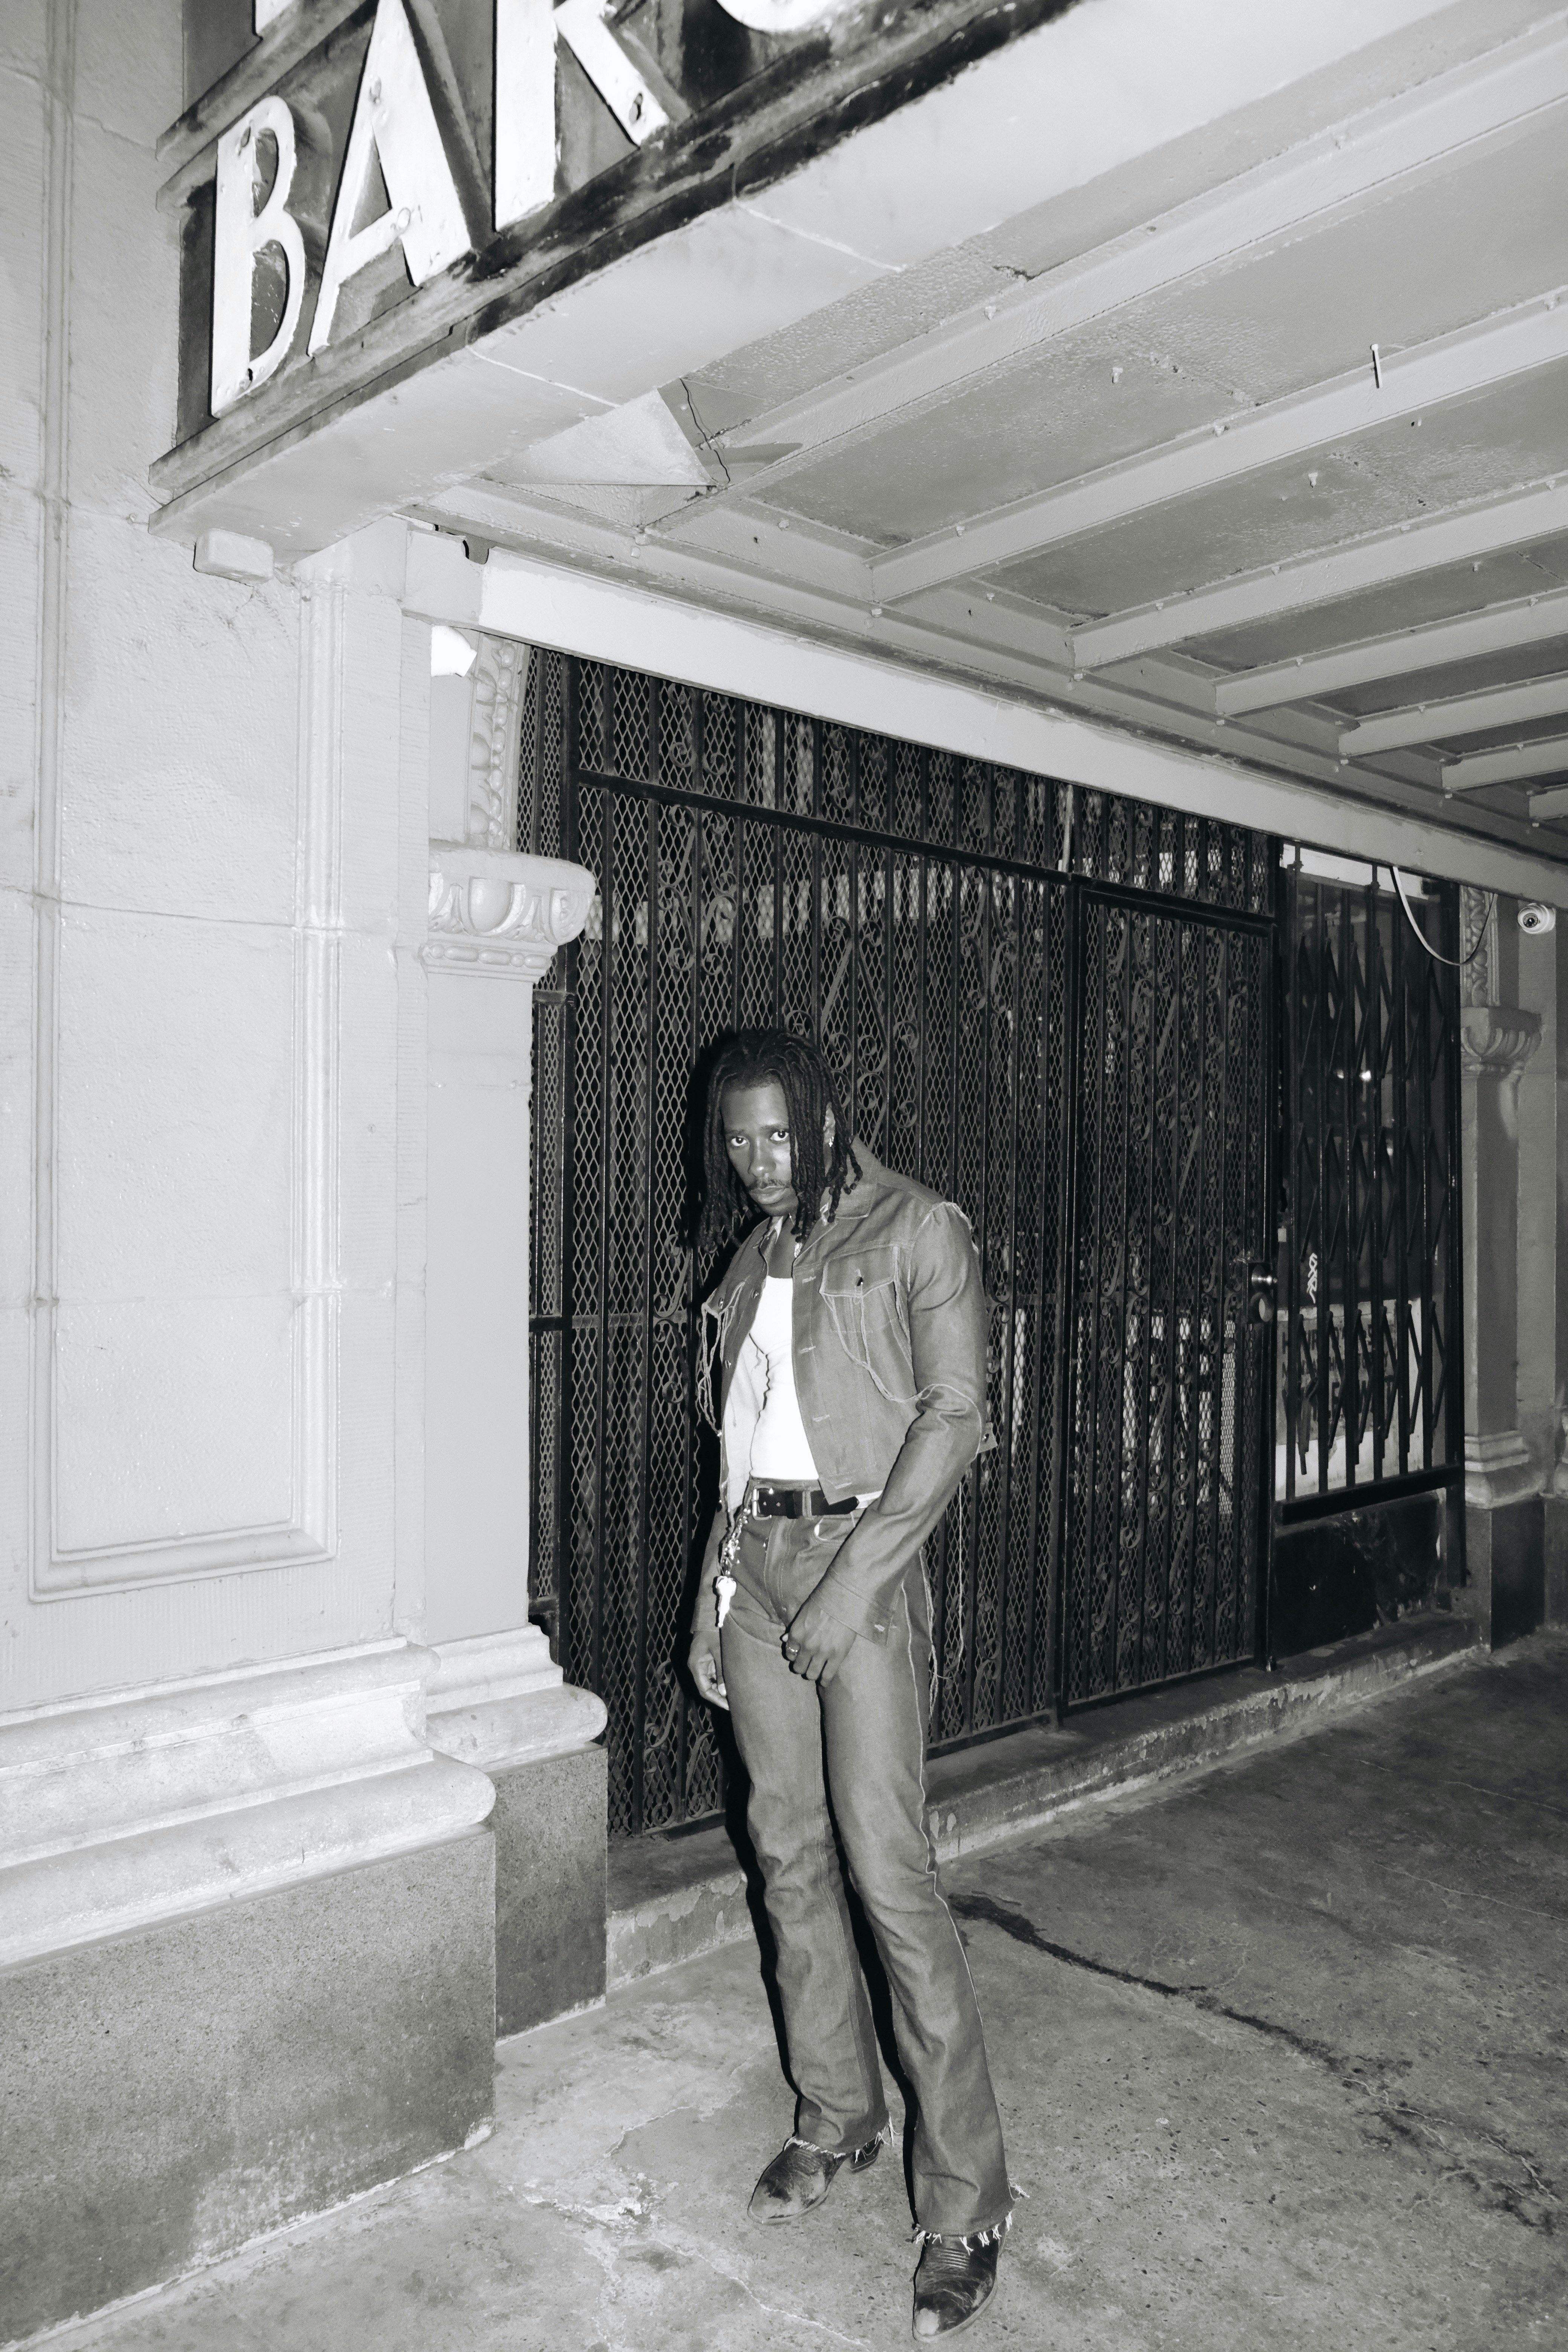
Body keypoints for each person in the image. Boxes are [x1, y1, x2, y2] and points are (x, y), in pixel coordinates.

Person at [687, 1027, 1012, 2343]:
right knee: (785, 1849)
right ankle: (836, 2113)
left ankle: (968, 2204)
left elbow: (955, 1416)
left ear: (827, 1118)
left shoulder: (920, 1227)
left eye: (782, 1134)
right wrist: (716, 1600)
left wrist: (848, 1587)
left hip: (857, 1565)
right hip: (756, 1562)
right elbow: (739, 1439)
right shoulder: (751, 1257)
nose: (763, 1163)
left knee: (889, 1869)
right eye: (741, 1141)